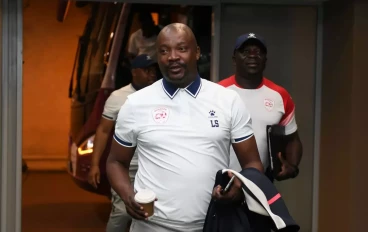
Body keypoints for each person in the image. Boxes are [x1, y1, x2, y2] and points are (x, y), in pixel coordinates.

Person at [107, 23, 264, 232]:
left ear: (197, 52)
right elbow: (115, 161)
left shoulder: (227, 100)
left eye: (181, 48)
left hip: (211, 225)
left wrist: (239, 188)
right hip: (152, 226)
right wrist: (128, 196)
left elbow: (252, 163)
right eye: (164, 51)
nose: (172, 56)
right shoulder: (136, 103)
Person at [218, 33, 303, 182]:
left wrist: (292, 166)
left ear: (265, 60)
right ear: (234, 60)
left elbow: (292, 139)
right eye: (245, 52)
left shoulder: (280, 95)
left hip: (261, 184)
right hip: (221, 182)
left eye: (258, 52)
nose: (252, 56)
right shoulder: (217, 92)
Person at [87, 54, 157, 232]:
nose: (152, 75)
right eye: (147, 70)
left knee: (153, 215)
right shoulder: (118, 97)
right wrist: (94, 164)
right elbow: (103, 131)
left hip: (154, 166)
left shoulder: (161, 93)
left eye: (153, 70)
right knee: (122, 213)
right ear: (135, 72)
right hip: (127, 167)